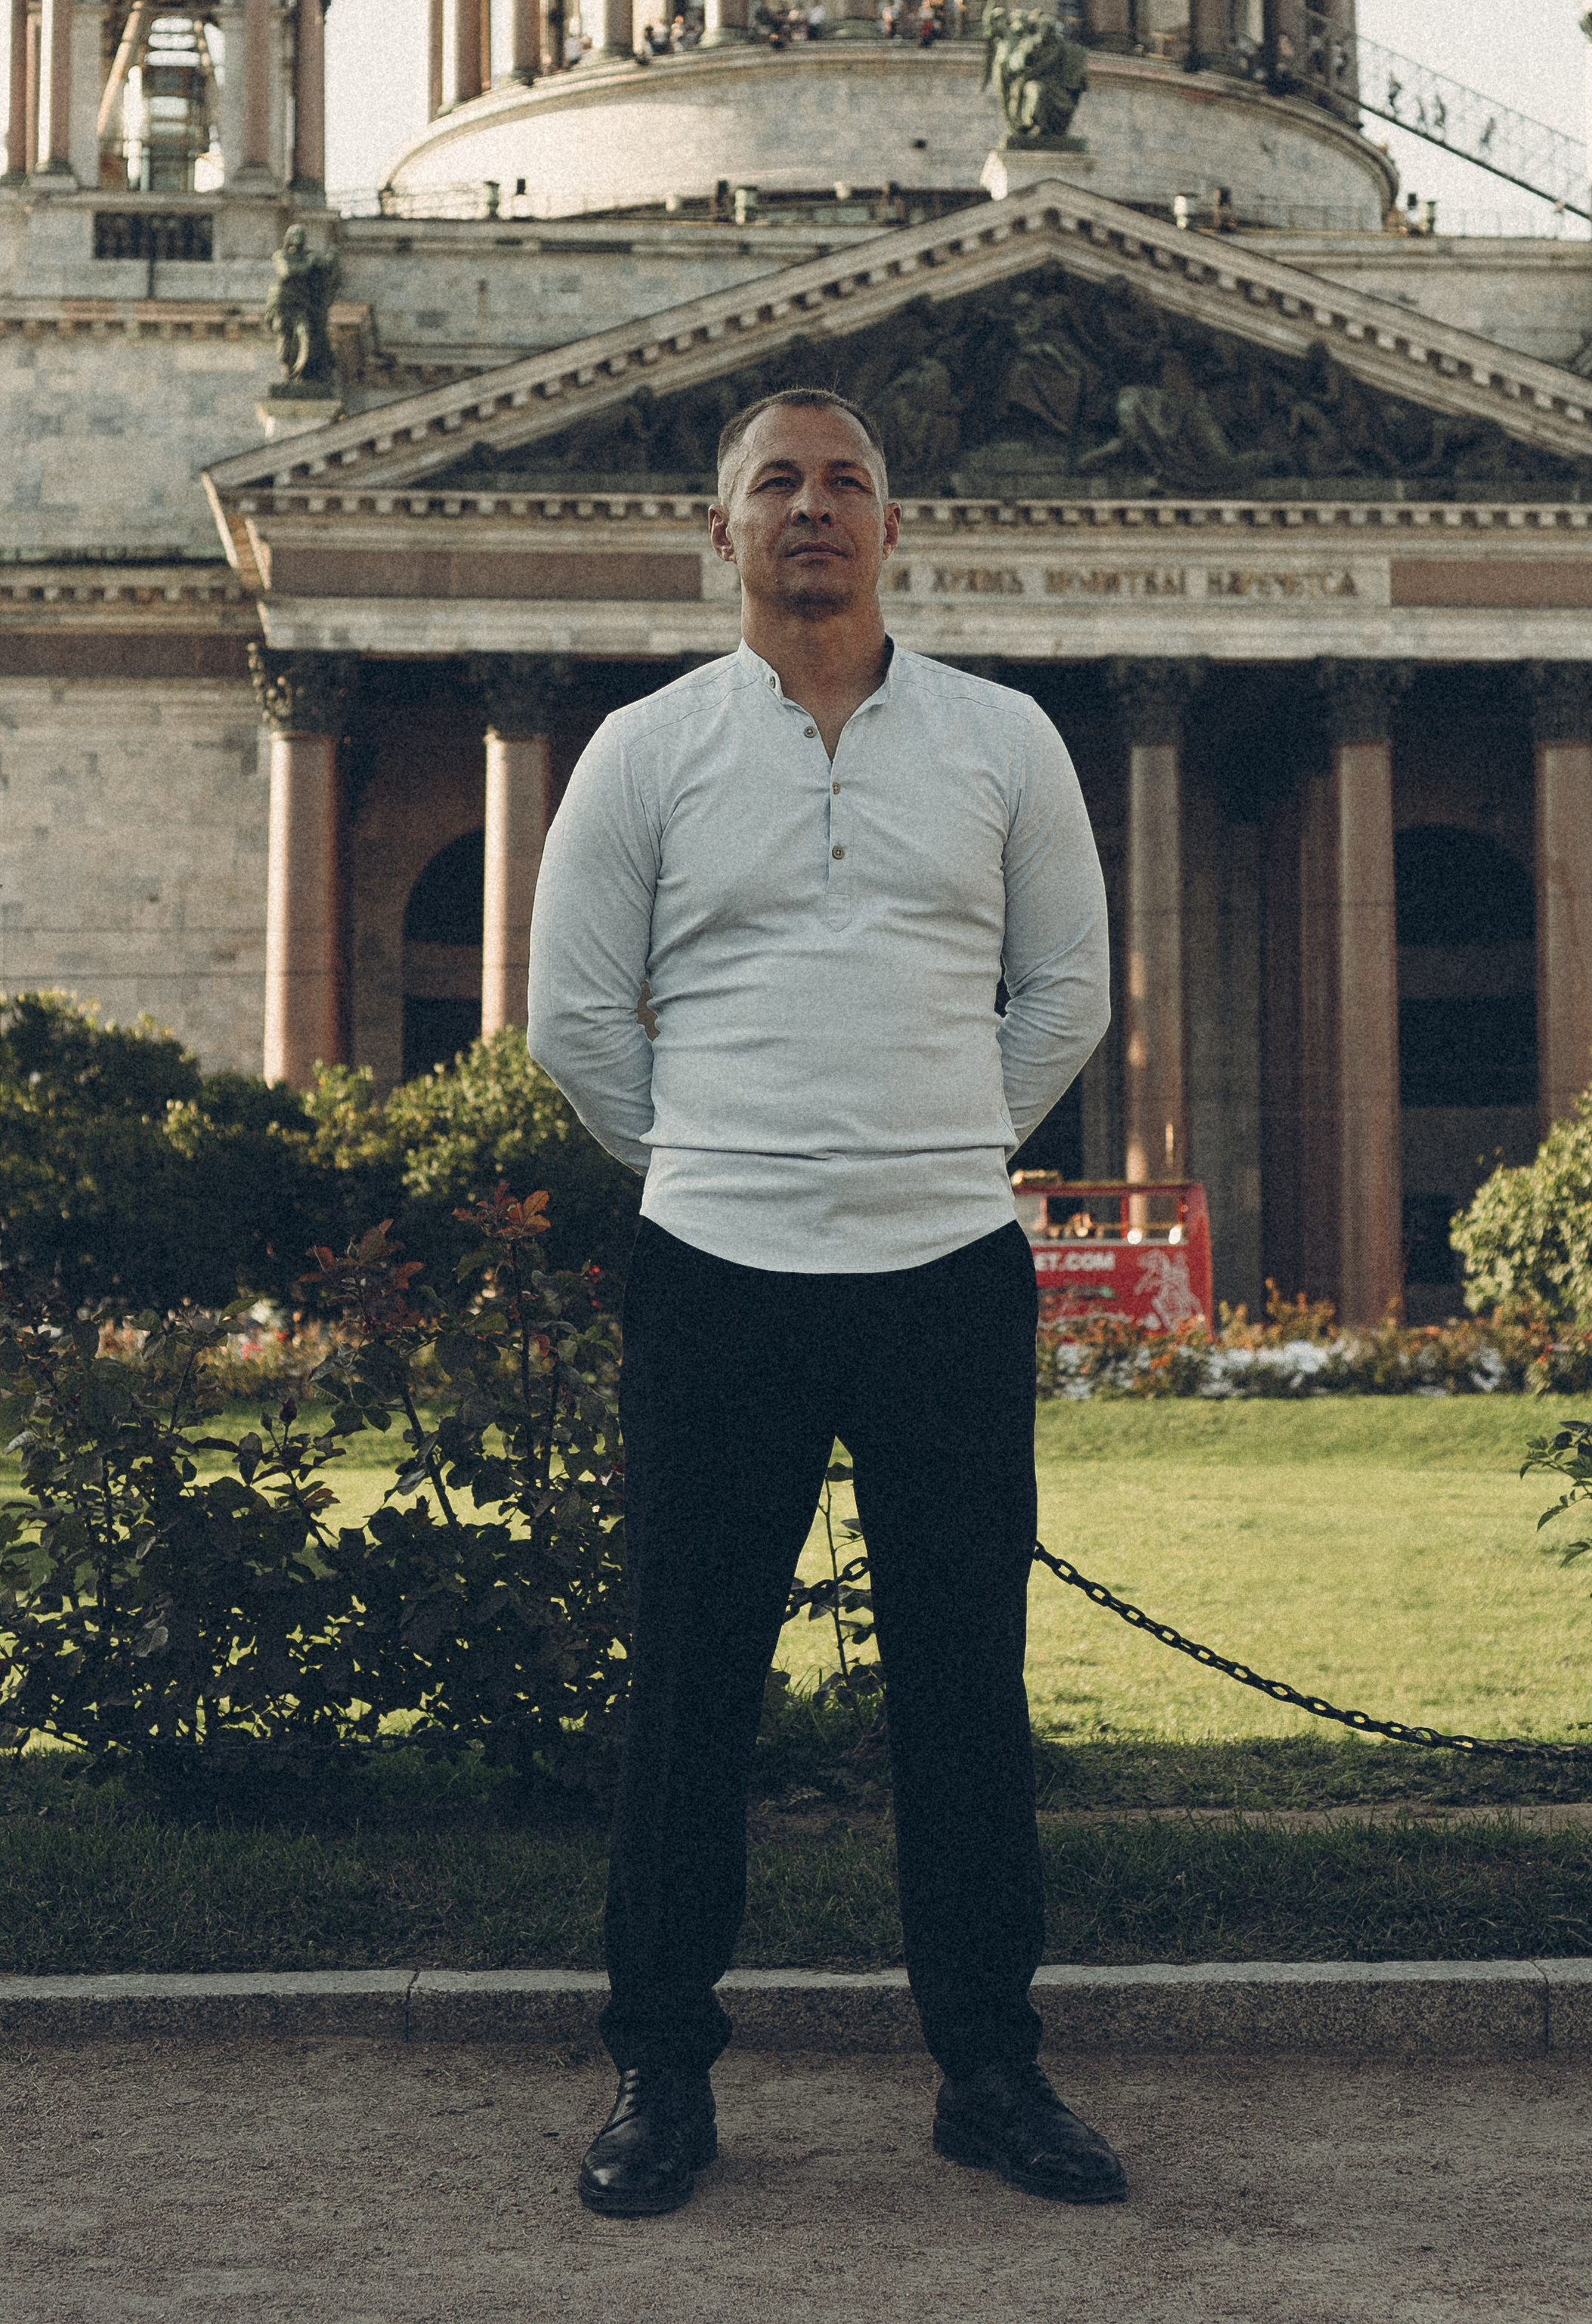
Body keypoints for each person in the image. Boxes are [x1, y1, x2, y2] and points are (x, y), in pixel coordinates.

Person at [527, 388, 1121, 2220]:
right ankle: (656, 2076)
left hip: (944, 1270)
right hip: (717, 1271)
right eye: (773, 485)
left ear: (892, 528)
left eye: (842, 483)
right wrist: (724, 1158)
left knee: (963, 1686)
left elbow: (1066, 999)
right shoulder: (643, 749)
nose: (810, 511)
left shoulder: (1005, 741)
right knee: (690, 1689)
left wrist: (927, 1147)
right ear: (718, 535)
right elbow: (569, 1020)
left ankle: (990, 2071)